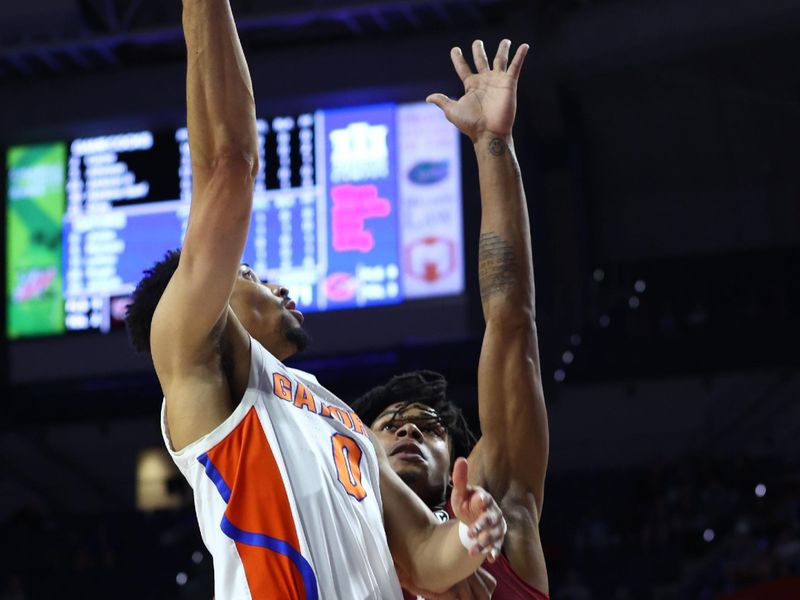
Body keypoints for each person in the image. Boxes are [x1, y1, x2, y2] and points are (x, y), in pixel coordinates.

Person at [124, 2, 506, 598]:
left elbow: (424, 557)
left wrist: (471, 532)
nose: (274, 284)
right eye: (247, 271)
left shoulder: (345, 422)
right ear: (207, 298)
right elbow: (229, 166)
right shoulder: (196, 363)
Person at [351, 39, 549, 599]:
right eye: (391, 424)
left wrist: (492, 144)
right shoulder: (340, 544)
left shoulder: (502, 511)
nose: (410, 429)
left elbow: (510, 319)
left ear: (460, 460)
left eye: (430, 428)